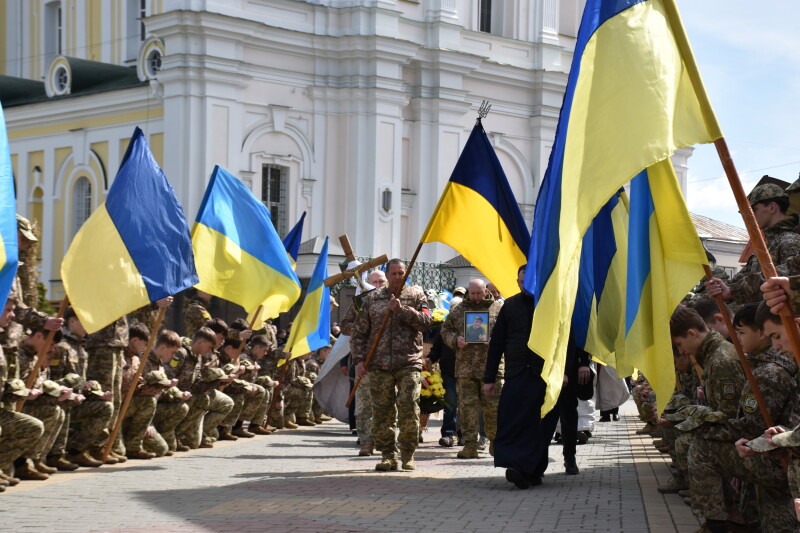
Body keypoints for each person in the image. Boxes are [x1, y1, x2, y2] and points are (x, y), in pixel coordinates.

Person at [350, 258, 431, 471]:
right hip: (379, 363)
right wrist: (359, 360)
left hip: (409, 361)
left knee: (408, 407)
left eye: (401, 273)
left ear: (406, 273)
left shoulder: (416, 295)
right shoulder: (373, 298)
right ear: (387, 275)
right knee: (382, 411)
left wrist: (402, 310)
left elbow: (426, 323)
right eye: (393, 273)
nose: (397, 277)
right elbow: (359, 332)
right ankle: (388, 455)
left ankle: (408, 453)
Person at [484, 265, 559, 489]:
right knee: (513, 421)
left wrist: (564, 372)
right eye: (521, 281)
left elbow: (563, 339)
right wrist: (489, 378)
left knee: (539, 424)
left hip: (543, 374)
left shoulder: (550, 304)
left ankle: (532, 470)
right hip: (516, 373)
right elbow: (497, 344)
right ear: (517, 282)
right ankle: (517, 467)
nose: (525, 285)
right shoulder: (510, 305)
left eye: (530, 280)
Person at [706, 183, 800, 306]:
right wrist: (720, 289)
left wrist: (732, 291)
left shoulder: (790, 241)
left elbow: (781, 279)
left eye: (754, 210)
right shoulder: (766, 245)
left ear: (772, 208)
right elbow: (741, 278)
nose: (750, 216)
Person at [441, 279, 502, 459]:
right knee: (467, 410)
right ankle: (469, 446)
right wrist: (456, 340)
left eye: (478, 293)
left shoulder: (498, 308)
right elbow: (445, 330)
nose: (475, 297)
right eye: (472, 293)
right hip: (465, 369)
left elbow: (509, 332)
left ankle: (496, 444)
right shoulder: (458, 310)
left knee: (493, 409)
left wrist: (496, 341)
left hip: (492, 369)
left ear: (486, 292)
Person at [342, 269, 387, 456]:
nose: (378, 285)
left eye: (381, 282)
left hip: (388, 362)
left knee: (385, 405)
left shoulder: (394, 300)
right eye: (374, 282)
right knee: (363, 406)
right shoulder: (361, 302)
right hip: (365, 361)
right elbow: (345, 326)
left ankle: (382, 440)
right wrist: (363, 327)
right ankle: (366, 441)